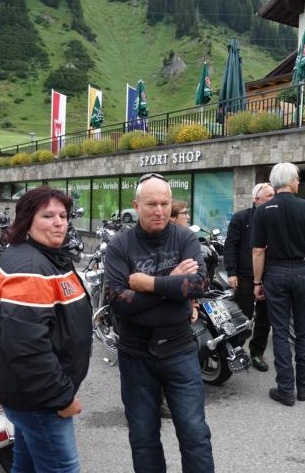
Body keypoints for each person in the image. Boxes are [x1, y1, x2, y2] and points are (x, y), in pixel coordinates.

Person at [105, 173, 214, 472]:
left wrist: (148, 283)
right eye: (151, 204)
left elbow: (198, 285)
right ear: (136, 205)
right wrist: (172, 282)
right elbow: (118, 301)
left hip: (180, 349)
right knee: (143, 437)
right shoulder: (120, 245)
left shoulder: (185, 238)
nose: (159, 211)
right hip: (135, 353)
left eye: (165, 203)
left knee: (195, 434)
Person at [0, 186, 92, 473]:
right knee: (61, 468)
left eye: (63, 215)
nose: (59, 222)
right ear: (27, 221)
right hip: (40, 399)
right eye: (48, 216)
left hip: (30, 395)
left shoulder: (42, 255)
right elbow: (28, 348)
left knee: (26, 463)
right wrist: (62, 398)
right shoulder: (30, 268)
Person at [252, 163, 305, 406]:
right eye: (297, 178)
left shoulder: (263, 210)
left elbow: (258, 251)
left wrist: (257, 282)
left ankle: (285, 389)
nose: (298, 182)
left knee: (280, 332)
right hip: (303, 272)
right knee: (304, 332)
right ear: (291, 180)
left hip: (275, 273)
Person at [224, 182, 275, 372]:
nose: (273, 198)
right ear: (256, 199)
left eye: (274, 195)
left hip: (269, 275)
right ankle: (235, 350)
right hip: (245, 276)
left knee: (265, 318)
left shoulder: (276, 218)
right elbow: (230, 246)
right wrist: (231, 273)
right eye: (269, 196)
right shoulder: (241, 218)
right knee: (243, 316)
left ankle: (257, 353)